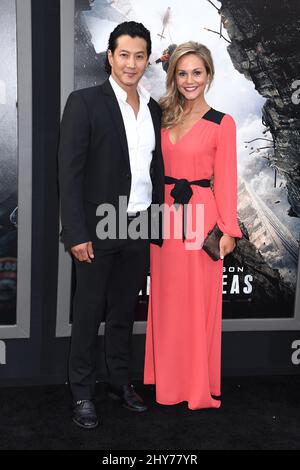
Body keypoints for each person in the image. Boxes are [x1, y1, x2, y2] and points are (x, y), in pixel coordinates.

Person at [58, 21, 164, 429]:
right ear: (110, 57)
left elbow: (154, 170)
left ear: (147, 59)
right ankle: (82, 393)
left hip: (138, 226)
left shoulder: (153, 108)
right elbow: (69, 173)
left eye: (139, 56)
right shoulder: (85, 102)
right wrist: (77, 232)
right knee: (87, 314)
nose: (132, 63)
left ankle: (120, 382)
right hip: (99, 228)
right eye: (124, 55)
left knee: (123, 313)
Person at [144, 42, 242, 410]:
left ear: (208, 75)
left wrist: (229, 230)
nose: (189, 80)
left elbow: (227, 182)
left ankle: (197, 385)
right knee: (167, 301)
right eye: (182, 73)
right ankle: (167, 383)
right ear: (173, 76)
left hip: (201, 220)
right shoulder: (163, 116)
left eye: (196, 73)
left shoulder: (222, 123)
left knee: (197, 303)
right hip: (165, 217)